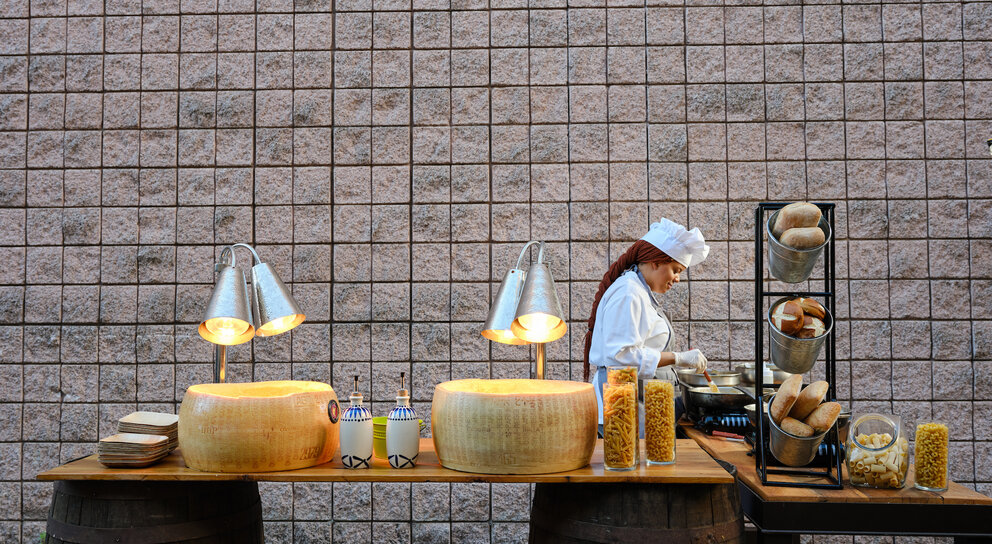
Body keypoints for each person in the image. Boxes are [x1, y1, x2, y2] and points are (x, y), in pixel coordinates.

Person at [584, 218, 711, 432]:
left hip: (639, 400)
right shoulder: (628, 293)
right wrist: (677, 358)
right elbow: (620, 355)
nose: (677, 279)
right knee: (629, 462)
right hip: (623, 405)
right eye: (676, 269)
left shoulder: (639, 292)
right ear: (656, 262)